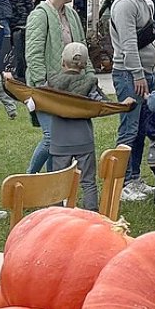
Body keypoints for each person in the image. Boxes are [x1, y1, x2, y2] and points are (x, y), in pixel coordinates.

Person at [22, 0, 86, 174]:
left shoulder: (72, 15)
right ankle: (28, 179)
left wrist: (89, 77)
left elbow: (81, 48)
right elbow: (33, 54)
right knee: (52, 138)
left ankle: (53, 188)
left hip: (67, 88)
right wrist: (41, 85)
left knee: (61, 142)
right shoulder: (39, 15)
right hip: (45, 89)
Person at [110, 0, 155, 202]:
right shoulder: (126, 3)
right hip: (129, 73)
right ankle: (119, 184)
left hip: (145, 71)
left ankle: (134, 178)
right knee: (129, 128)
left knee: (141, 128)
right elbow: (128, 44)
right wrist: (138, 74)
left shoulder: (145, 2)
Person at [46, 42, 107, 210]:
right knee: (88, 181)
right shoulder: (89, 82)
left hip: (60, 141)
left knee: (57, 181)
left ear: (62, 62)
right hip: (83, 139)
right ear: (85, 64)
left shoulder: (52, 83)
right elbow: (102, 104)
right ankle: (91, 212)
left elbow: (39, 98)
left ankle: (56, 213)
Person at [5, 0, 35, 79]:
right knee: (23, 53)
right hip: (23, 26)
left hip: (10, 25)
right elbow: (31, 9)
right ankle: (21, 75)